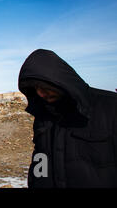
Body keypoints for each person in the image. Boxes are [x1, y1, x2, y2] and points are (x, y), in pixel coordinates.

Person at [18, 49, 117, 188]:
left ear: (59, 80)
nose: (40, 93)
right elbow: (40, 159)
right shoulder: (43, 115)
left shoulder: (110, 107)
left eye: (44, 86)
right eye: (35, 88)